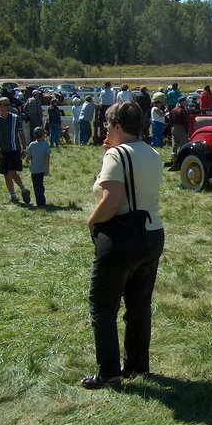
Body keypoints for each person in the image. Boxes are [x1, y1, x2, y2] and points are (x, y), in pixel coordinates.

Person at [83, 101, 165, 389]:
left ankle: (108, 371)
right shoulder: (152, 153)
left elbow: (112, 200)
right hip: (153, 232)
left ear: (117, 126)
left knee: (102, 306)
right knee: (139, 305)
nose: (107, 130)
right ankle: (137, 365)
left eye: (108, 125)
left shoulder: (117, 154)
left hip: (122, 236)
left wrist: (92, 222)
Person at [0, 97, 32, 204]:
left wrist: (24, 149)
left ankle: (23, 189)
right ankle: (13, 195)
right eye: (5, 105)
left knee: (12, 172)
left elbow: (21, 135)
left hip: (14, 150)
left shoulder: (15, 118)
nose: (8, 107)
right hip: (3, 151)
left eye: (9, 104)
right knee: (6, 174)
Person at [26, 126, 51, 207]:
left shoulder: (31, 145)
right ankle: (41, 202)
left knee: (36, 186)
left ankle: (39, 202)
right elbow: (47, 157)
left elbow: (28, 157)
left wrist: (27, 161)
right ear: (42, 135)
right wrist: (47, 168)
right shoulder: (45, 144)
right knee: (40, 186)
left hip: (34, 170)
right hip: (42, 169)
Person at [169, 96, 190, 162]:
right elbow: (185, 122)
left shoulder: (174, 109)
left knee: (175, 143)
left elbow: (170, 120)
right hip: (181, 128)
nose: (186, 102)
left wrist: (172, 127)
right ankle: (181, 159)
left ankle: (173, 157)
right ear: (182, 102)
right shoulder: (182, 111)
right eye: (185, 101)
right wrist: (187, 130)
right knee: (183, 144)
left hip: (174, 127)